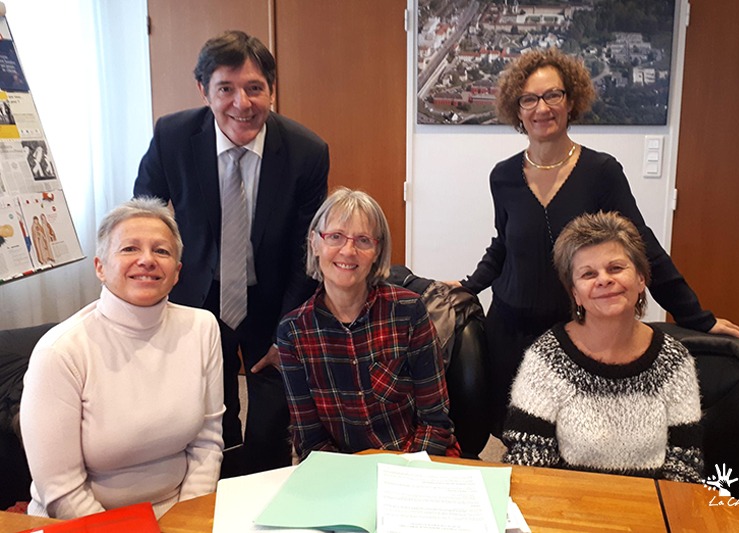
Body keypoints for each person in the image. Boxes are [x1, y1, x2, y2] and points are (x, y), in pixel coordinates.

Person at [451, 48, 739, 435]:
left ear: (570, 101)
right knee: (516, 434)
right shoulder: (502, 176)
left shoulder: (601, 171)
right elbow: (503, 244)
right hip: (509, 328)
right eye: (530, 99)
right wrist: (468, 286)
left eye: (553, 95)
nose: (542, 108)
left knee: (574, 435)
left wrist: (695, 316)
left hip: (576, 330)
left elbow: (640, 246)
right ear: (517, 110)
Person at [134, 30, 329, 474]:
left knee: (272, 428)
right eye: (226, 88)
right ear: (203, 91)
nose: (242, 103)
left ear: (272, 90)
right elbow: (143, 211)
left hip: (275, 298)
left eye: (255, 88)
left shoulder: (306, 151)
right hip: (199, 298)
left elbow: (309, 249)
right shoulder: (173, 136)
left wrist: (289, 330)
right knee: (209, 420)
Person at [20, 197, 224, 519]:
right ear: (100, 267)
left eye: (162, 251)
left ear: (177, 272)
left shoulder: (201, 327)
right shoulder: (60, 351)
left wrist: (189, 519)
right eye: (129, 249)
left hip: (178, 512)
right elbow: (60, 487)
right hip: (83, 521)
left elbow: (207, 444)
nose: (147, 260)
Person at [502, 211, 704, 483]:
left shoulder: (674, 361)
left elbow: (685, 466)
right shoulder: (547, 358)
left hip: (649, 511)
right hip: (567, 509)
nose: (604, 279)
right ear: (575, 293)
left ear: (641, 279)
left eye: (616, 268)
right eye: (588, 274)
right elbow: (527, 461)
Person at [277, 188, 460, 460]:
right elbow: (309, 438)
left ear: (377, 251)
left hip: (413, 459)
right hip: (342, 470)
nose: (348, 251)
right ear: (315, 243)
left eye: (363, 240)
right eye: (335, 237)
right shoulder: (294, 332)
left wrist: (404, 473)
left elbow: (434, 419)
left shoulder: (408, 311)